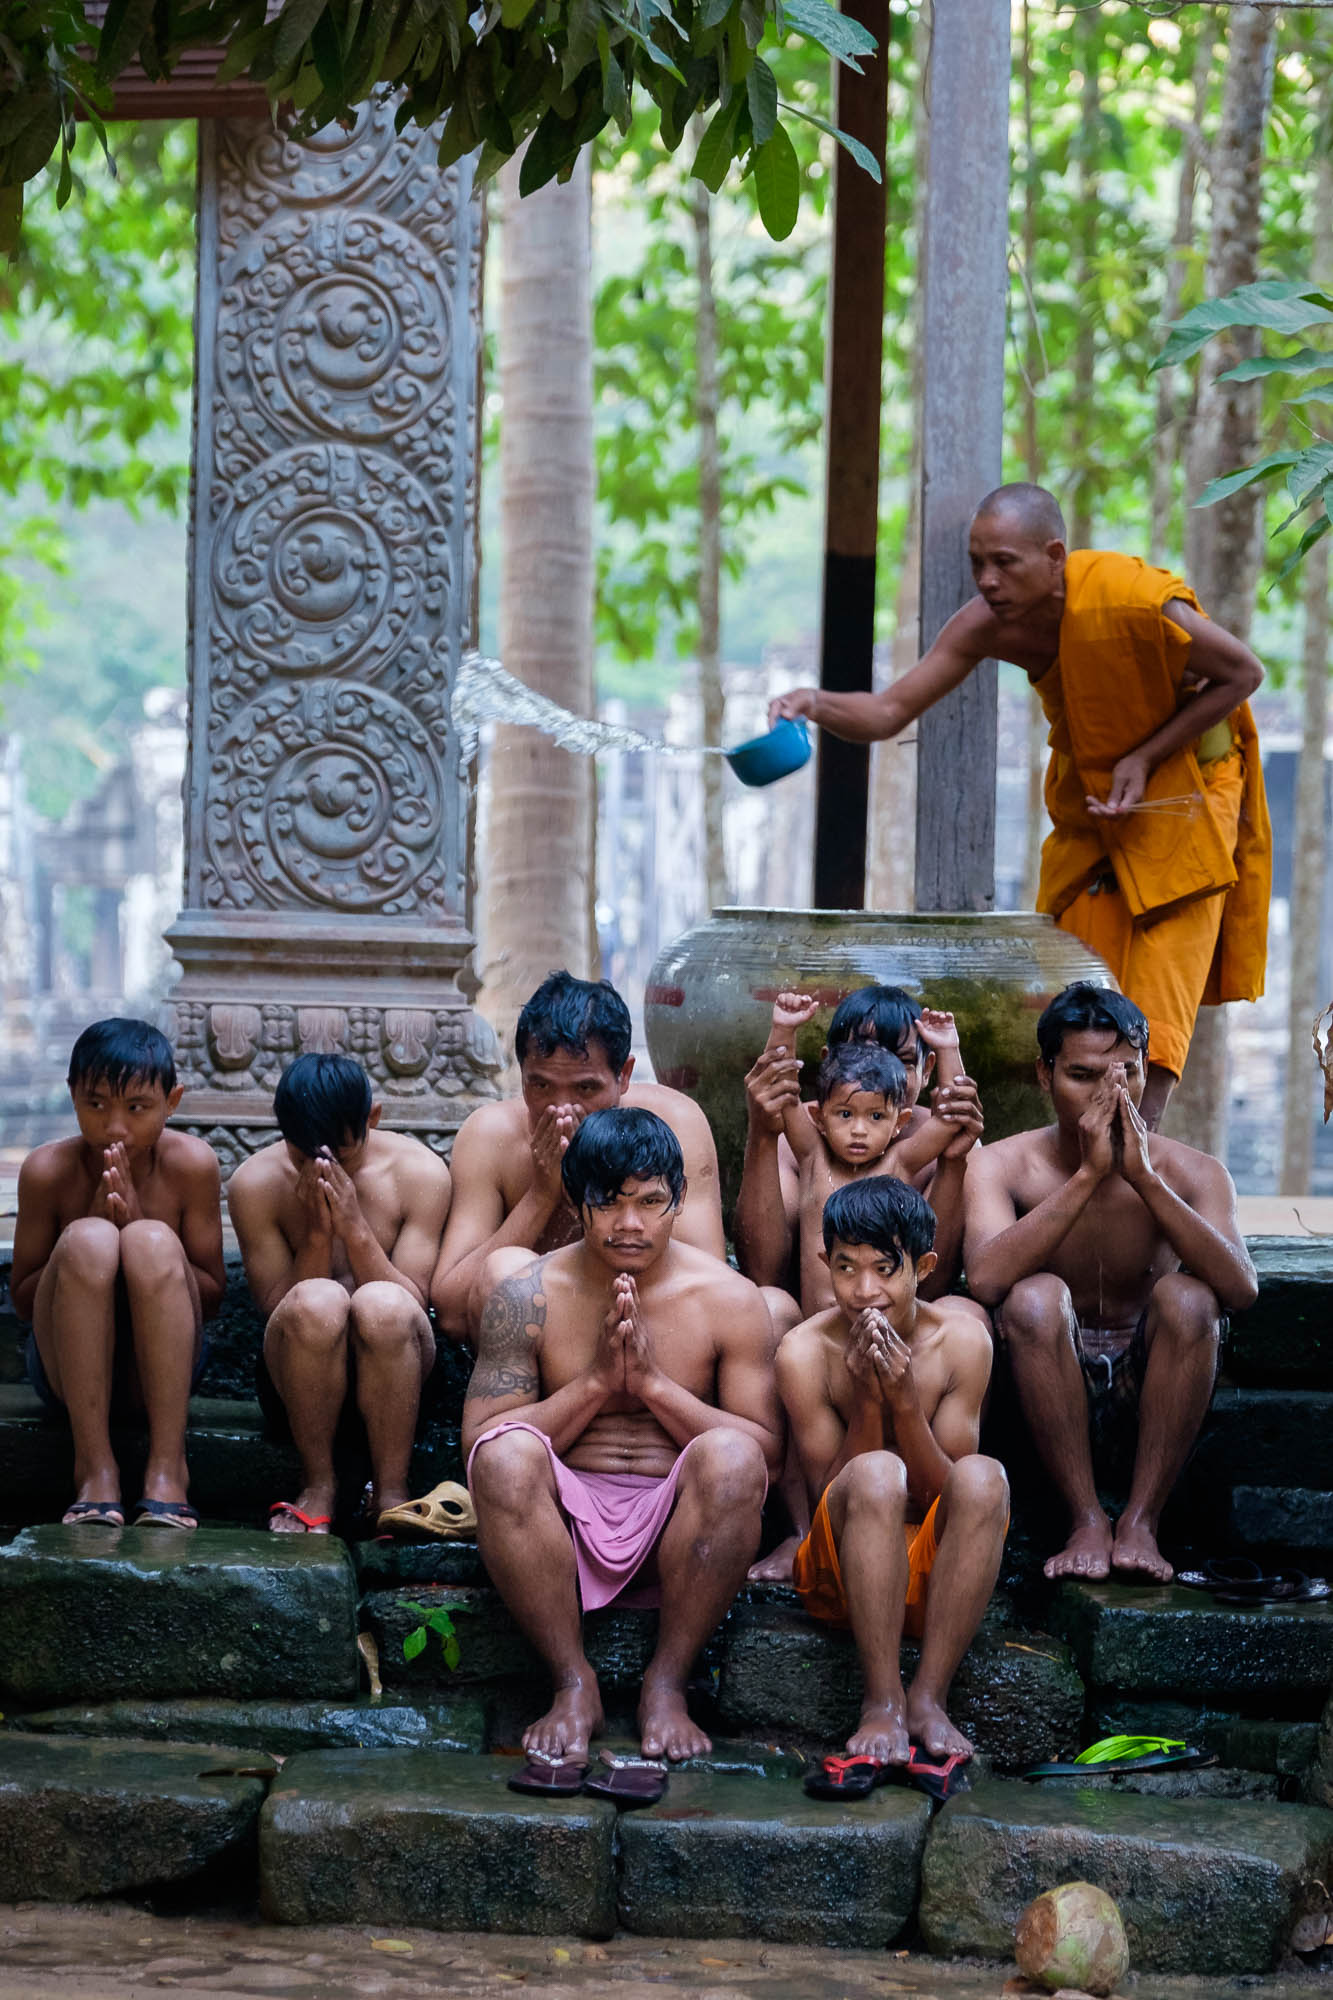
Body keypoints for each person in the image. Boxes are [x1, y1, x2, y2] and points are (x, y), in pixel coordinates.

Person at [769, 484, 1272, 1127]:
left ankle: (1137, 1149)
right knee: (1078, 998)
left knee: (1157, 1004)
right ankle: (1074, 1161)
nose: (987, 580)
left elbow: (1243, 673)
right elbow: (890, 710)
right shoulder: (985, 623)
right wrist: (812, 702)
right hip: (1097, 805)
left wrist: (1146, 757)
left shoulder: (1127, 600)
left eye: (1005, 562)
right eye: (978, 562)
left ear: (1055, 556)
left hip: (1185, 795)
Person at [461, 1107, 782, 1764]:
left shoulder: (729, 1298)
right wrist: (596, 1384)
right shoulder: (527, 1295)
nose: (629, 1223)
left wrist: (655, 1386)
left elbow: (766, 1453)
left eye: (649, 1202)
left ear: (678, 1201)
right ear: (576, 1202)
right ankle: (572, 1682)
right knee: (504, 1458)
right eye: (609, 1202)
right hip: (562, 1519)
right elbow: (481, 1439)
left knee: (732, 1457)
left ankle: (666, 1684)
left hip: (678, 1524)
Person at [963, 982, 1258, 1584]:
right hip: (1044, 1384)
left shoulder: (1193, 1171)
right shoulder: (1002, 1164)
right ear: (1044, 1075)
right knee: (1033, 1297)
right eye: (1082, 1075)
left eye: (1126, 1074)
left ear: (1146, 1070)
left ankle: (1142, 1521)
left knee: (1190, 1298)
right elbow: (986, 1280)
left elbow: (1240, 1289)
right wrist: (1089, 1176)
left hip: (1149, 1386)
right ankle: (1086, 1519)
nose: (1108, 1093)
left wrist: (1144, 1178)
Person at [778, 1178, 1006, 1768]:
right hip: (839, 1575)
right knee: (877, 1473)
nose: (864, 1292)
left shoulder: (962, 1342)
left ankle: (928, 1697)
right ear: (825, 1263)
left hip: (933, 1580)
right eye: (846, 1268)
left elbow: (943, 1494)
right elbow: (827, 1494)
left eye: (885, 1269)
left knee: (985, 1477)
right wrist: (867, 1404)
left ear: (923, 1267)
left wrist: (905, 1405)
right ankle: (883, 1701)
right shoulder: (803, 1352)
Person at [9, 1017, 225, 1529]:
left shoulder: (192, 1165)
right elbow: (23, 1301)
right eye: (96, 1104)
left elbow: (213, 1297)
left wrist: (138, 1226)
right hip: (66, 1370)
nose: (114, 1127)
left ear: (171, 1102)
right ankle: (94, 1469)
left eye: (136, 1108)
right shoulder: (46, 1171)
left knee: (149, 1241)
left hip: (164, 1372)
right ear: (72, 1096)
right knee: (90, 1240)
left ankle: (168, 1469)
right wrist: (90, 1227)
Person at [433, 970, 726, 1339]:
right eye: (541, 1085)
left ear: (624, 1076)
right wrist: (542, 1195)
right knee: (505, 1269)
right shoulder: (491, 1136)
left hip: (651, 1332)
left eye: (586, 1088)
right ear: (521, 1075)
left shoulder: (675, 1123)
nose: (562, 1109)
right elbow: (452, 1312)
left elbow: (711, 1289)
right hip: (538, 1344)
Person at [227, 1053, 452, 1534]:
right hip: (298, 1375)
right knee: (317, 1301)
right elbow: (275, 1309)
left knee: (383, 1305)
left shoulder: (420, 1173)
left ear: (373, 1119)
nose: (322, 1170)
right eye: (302, 1156)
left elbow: (415, 1298)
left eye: (342, 1157)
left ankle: (391, 1491)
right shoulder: (255, 1183)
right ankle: (317, 1484)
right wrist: (316, 1234)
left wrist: (354, 1229)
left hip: (400, 1369)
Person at [734, 985, 982, 1298]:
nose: (876, 1077)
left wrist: (949, 1047)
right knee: (773, 1303)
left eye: (876, 1116)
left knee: (962, 1313)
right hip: (819, 1321)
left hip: (892, 1315)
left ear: (926, 1069)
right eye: (846, 1113)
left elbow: (953, 1117)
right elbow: (781, 1089)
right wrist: (783, 1029)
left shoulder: (903, 1161)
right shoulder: (811, 1154)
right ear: (818, 1116)